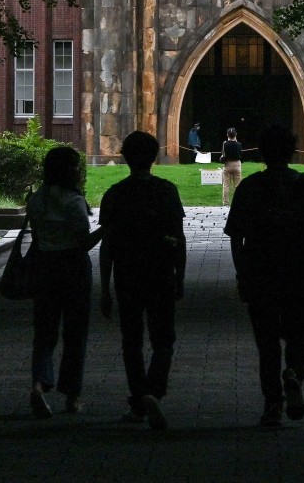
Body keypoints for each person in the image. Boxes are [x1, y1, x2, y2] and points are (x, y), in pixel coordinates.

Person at [225, 125, 304, 427]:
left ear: (260, 152)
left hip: (260, 273)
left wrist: (241, 273)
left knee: (267, 342)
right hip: (297, 272)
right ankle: (294, 373)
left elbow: (235, 237)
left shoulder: (250, 187)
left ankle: (272, 403)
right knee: (300, 334)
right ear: (292, 151)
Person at [99, 131, 187, 430]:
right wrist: (181, 276)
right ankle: (153, 391)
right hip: (160, 272)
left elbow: (107, 245)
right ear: (154, 157)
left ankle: (139, 398)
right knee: (164, 340)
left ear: (124, 157)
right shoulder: (166, 190)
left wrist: (104, 288)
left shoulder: (115, 193)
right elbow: (179, 237)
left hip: (128, 275)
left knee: (132, 340)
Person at [26, 146, 104, 419]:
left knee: (44, 332)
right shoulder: (74, 202)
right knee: (75, 334)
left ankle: (38, 385)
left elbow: (36, 235)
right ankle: (72, 395)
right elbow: (83, 242)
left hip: (44, 267)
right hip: (72, 269)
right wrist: (105, 228)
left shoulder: (37, 199)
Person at [220, 127, 243, 206]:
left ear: (227, 135)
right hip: (237, 164)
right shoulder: (239, 144)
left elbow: (223, 154)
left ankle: (225, 202)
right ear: (236, 134)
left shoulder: (225, 144)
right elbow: (240, 154)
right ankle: (239, 201)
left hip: (228, 164)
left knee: (226, 185)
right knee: (237, 186)